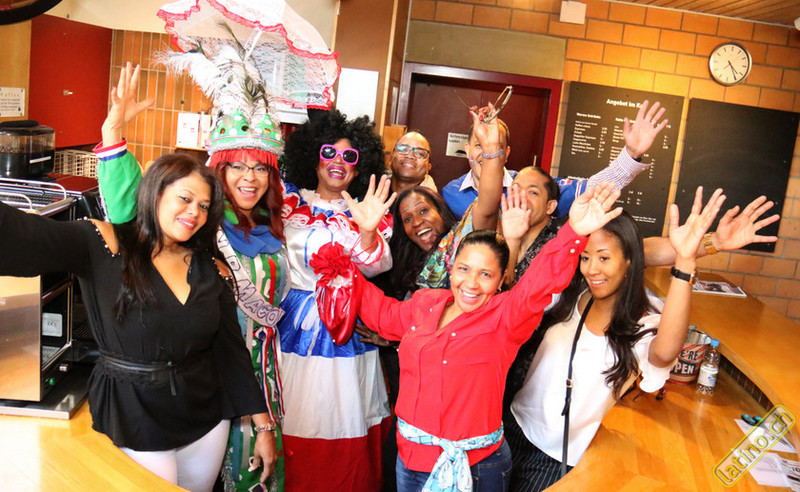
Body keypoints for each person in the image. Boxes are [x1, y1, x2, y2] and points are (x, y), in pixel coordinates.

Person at [323, 167, 624, 491]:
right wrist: (362, 238)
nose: (471, 283)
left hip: (478, 467)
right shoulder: (424, 304)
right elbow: (381, 313)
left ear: (500, 280)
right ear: (451, 270)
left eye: (485, 274)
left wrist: (574, 233)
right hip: (410, 460)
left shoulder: (507, 316)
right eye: (464, 269)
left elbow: (540, 282)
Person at [0, 150, 275, 492]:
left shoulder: (210, 267)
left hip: (206, 420)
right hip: (134, 414)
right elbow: (22, 235)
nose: (194, 212)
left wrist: (263, 427)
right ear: (155, 193)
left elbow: (231, 353)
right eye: (185, 198)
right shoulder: (106, 243)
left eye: (204, 206)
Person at [95, 62, 288, 491]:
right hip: (193, 377)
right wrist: (113, 133)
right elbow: (130, 209)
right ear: (218, 170)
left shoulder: (276, 225)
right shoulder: (191, 222)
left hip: (257, 372)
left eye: (260, 167)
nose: (250, 177)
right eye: (237, 166)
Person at [503, 187, 728, 492]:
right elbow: (514, 303)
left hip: (553, 458)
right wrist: (513, 241)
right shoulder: (570, 294)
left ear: (630, 261)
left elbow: (665, 353)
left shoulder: (641, 326)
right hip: (510, 425)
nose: (592, 269)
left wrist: (685, 262)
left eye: (604, 258)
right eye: (585, 258)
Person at [278, 109, 396, 491]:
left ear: (358, 168)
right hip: (292, 328)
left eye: (349, 156)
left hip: (347, 329)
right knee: (295, 413)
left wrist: (366, 229)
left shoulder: (367, 211)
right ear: (313, 156)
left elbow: (375, 265)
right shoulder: (287, 202)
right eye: (329, 151)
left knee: (345, 417)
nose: (337, 161)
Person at [441, 117, 516, 218]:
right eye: (479, 145)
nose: (487, 153)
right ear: (468, 150)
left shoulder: (523, 187)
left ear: (506, 154)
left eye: (496, 146)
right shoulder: (449, 195)